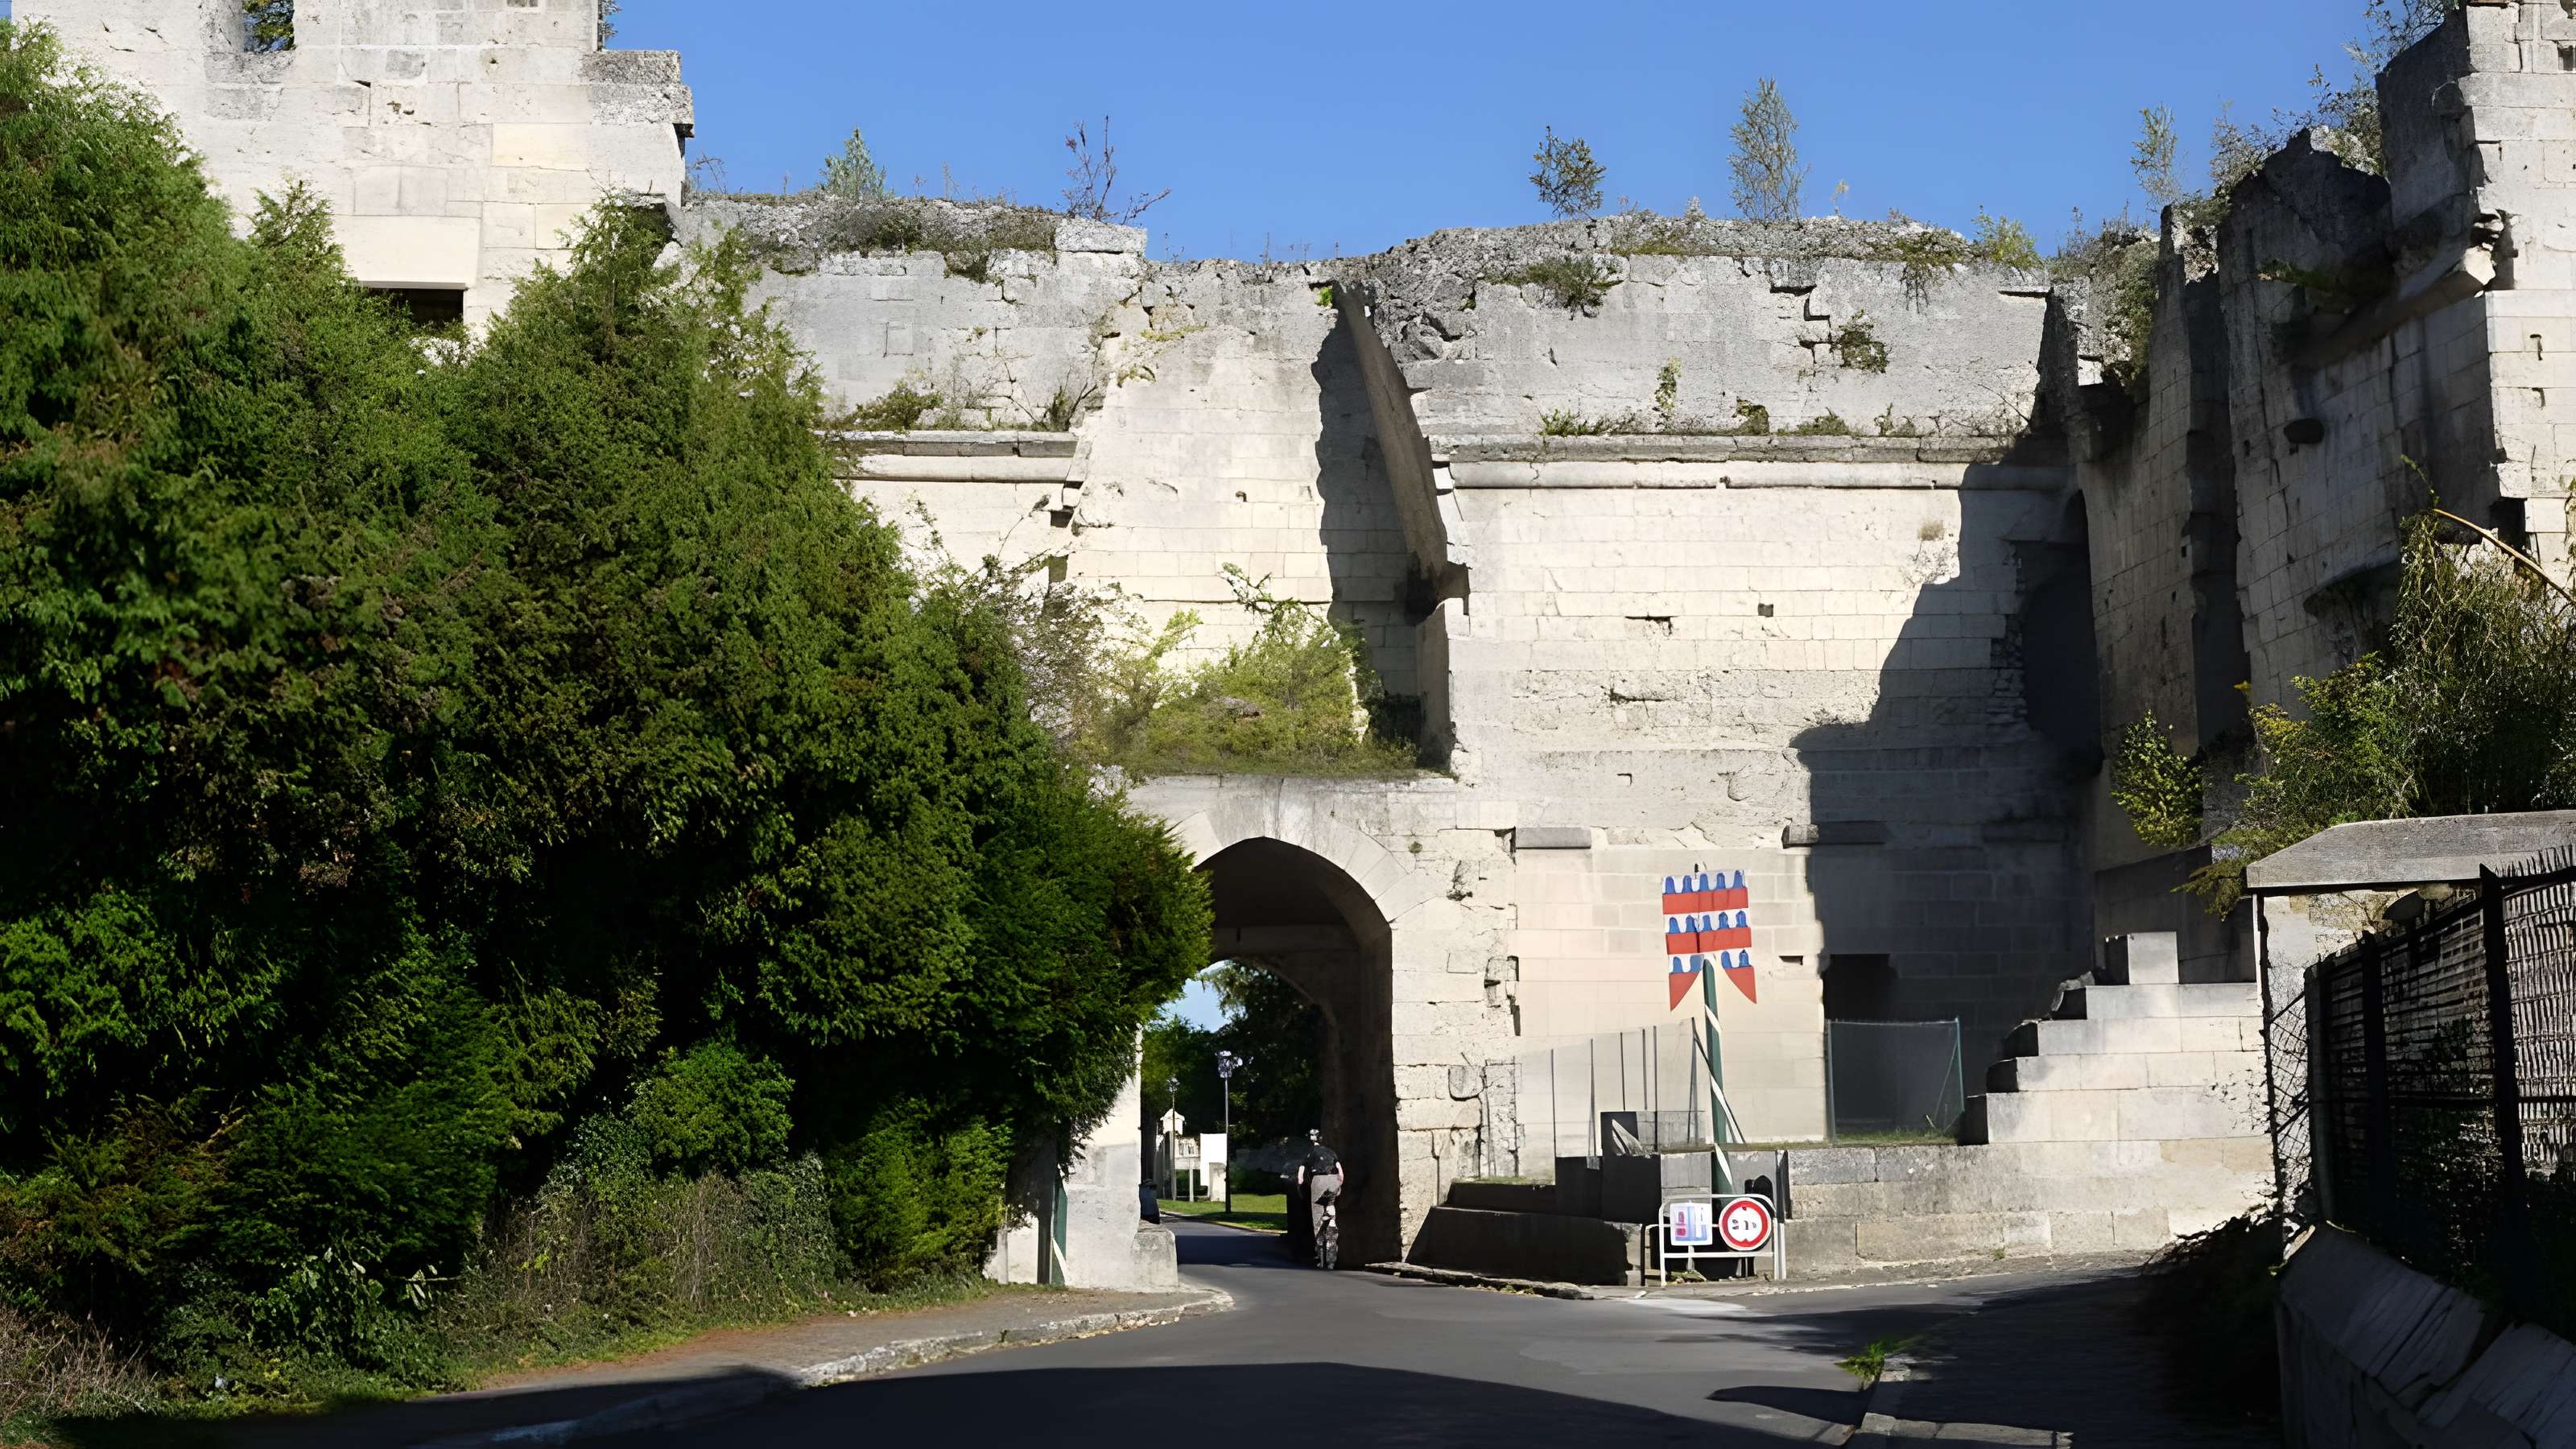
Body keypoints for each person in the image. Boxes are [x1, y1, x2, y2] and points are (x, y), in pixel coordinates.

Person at [1292, 1128, 1344, 1266]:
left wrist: (1300, 1186)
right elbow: (1340, 1170)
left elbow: (1301, 1175)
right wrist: (1338, 1185)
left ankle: (1320, 1254)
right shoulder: (1330, 1151)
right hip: (1334, 1180)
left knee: (1317, 1218)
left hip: (1319, 1181)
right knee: (1331, 1208)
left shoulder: (1309, 1153)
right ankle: (1331, 1217)